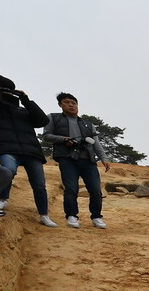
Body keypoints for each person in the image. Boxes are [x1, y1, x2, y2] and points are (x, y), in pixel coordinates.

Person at [42, 92, 110, 229]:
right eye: (67, 102)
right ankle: (71, 215)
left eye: (74, 103)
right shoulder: (54, 118)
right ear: (60, 105)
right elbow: (46, 136)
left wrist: (103, 158)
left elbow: (96, 143)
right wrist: (63, 139)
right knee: (71, 189)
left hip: (88, 159)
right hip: (67, 159)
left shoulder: (87, 124)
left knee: (96, 189)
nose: (71, 105)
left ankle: (96, 216)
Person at [0, 76, 53, 226]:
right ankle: (2, 200)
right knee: (8, 171)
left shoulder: (23, 110)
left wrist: (26, 100)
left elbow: (43, 121)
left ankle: (44, 214)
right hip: (8, 148)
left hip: (31, 151)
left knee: (39, 184)